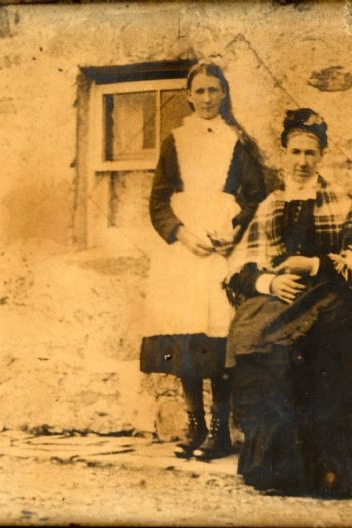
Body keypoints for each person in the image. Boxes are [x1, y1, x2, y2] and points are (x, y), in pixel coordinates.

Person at [225, 108, 352, 497]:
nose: (303, 161)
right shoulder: (272, 203)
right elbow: (241, 264)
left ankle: (333, 472)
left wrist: (313, 263)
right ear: (284, 155)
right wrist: (269, 282)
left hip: (331, 293)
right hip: (283, 296)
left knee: (328, 347)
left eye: (310, 153)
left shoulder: (341, 201)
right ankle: (278, 470)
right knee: (253, 336)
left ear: (321, 155)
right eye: (295, 153)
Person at [140, 61, 266, 460]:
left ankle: (219, 429)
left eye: (214, 90)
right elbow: (158, 200)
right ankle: (193, 424)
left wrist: (233, 232)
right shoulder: (174, 140)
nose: (207, 99)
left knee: (217, 335)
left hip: (221, 248)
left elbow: (255, 196)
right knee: (185, 337)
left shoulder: (238, 141)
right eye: (200, 91)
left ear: (224, 94)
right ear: (189, 95)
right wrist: (181, 234)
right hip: (182, 251)